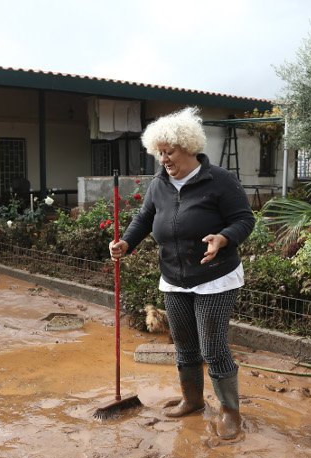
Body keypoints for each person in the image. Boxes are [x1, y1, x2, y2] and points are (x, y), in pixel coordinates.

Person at [109, 107, 255, 439]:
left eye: (169, 151)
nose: (163, 159)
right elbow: (144, 219)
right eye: (159, 153)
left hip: (215, 276)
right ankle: (192, 400)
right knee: (185, 344)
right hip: (174, 277)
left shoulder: (219, 180)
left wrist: (223, 237)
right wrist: (125, 244)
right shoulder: (159, 184)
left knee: (213, 346)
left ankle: (230, 412)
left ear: (187, 147)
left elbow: (245, 219)